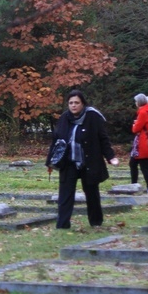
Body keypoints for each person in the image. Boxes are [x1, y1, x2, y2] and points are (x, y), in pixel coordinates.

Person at [46, 90, 119, 229]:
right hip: (69, 162)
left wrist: (111, 157)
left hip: (89, 162)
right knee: (65, 194)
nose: (73, 105)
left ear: (83, 103)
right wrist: (50, 161)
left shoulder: (93, 116)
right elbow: (56, 141)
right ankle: (62, 225)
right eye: (71, 103)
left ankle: (96, 222)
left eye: (76, 103)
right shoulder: (64, 118)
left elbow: (103, 139)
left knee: (92, 193)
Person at [130, 93, 148, 194]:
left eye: (136, 101)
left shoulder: (142, 112)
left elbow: (136, 129)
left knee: (145, 167)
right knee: (142, 165)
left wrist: (134, 125)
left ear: (139, 102)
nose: (135, 103)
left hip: (142, 144)